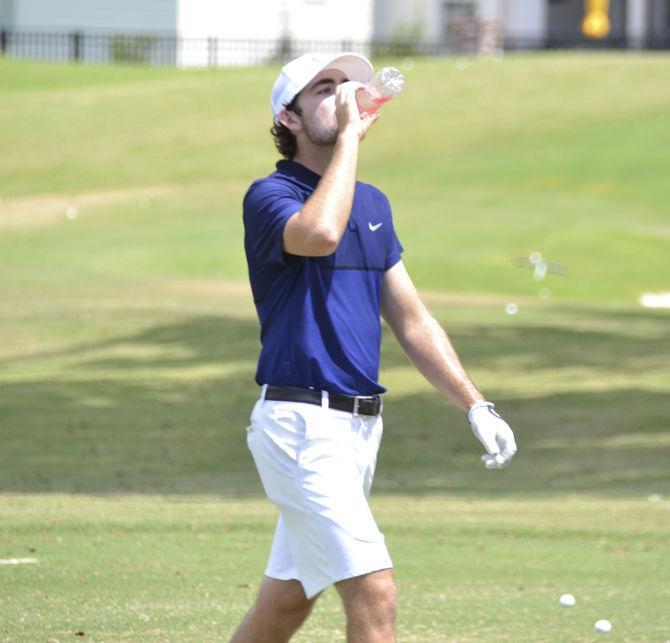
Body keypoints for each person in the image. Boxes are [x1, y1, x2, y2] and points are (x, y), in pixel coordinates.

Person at [231, 51, 517, 643]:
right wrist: (352, 141)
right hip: (302, 424)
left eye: (347, 85)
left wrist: (475, 404)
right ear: (288, 118)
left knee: (287, 603)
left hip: (359, 431)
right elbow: (318, 233)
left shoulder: (373, 204)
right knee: (375, 590)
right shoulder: (270, 194)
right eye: (323, 89)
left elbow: (412, 320)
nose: (342, 95)